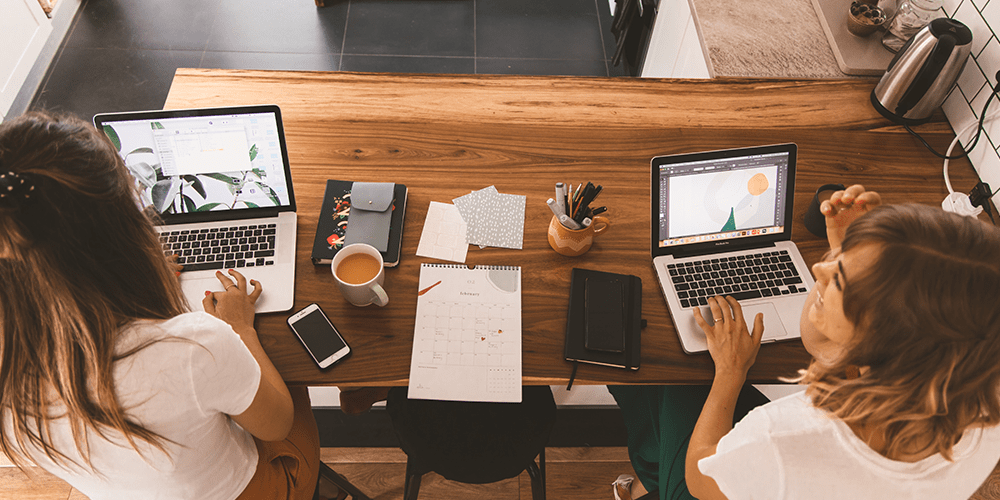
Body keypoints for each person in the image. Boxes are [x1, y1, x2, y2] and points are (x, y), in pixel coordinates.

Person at [0, 112, 327, 500]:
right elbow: (276, 425)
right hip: (253, 491)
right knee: (296, 377)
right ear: (125, 233)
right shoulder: (194, 346)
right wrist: (240, 328)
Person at [611, 185, 1000, 499]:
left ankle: (655, 480)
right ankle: (651, 475)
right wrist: (860, 252)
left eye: (840, 278)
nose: (818, 266)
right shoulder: (982, 404)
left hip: (706, 485)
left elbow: (700, 478)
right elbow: (824, 345)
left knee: (670, 372)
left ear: (881, 338)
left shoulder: (785, 436)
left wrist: (730, 373)